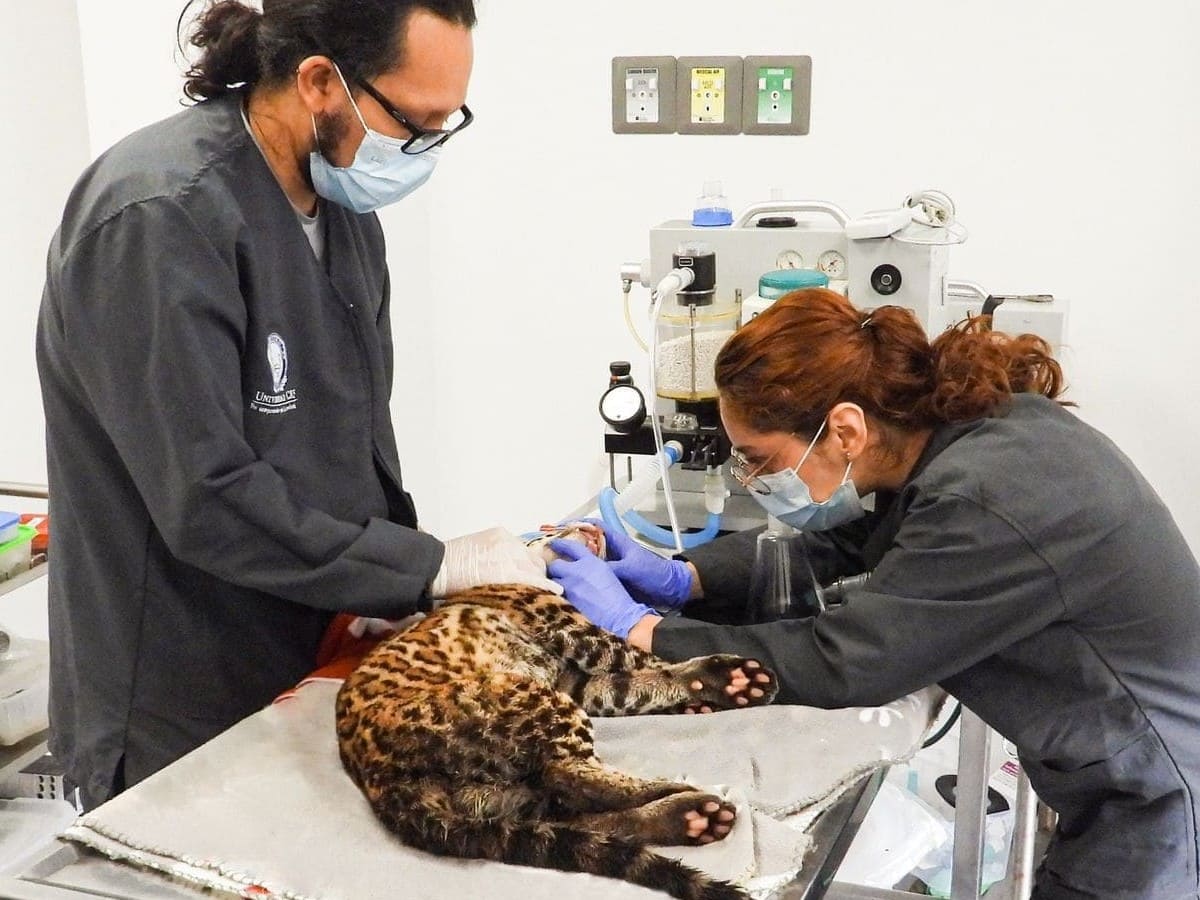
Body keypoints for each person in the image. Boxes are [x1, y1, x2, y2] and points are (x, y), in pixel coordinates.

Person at [36, 0, 557, 811]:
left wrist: (391, 585)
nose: (421, 152)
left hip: (307, 649)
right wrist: (426, 570)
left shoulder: (343, 215)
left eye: (445, 126)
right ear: (320, 81)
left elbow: (353, 439)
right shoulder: (158, 217)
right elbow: (205, 497)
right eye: (414, 125)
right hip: (178, 688)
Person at [548, 288, 1200, 900]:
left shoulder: (987, 495)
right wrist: (683, 576)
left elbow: (850, 661)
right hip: (1119, 765)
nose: (750, 480)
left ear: (845, 429)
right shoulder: (964, 440)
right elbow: (847, 545)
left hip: (1159, 789)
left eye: (760, 459)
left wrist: (642, 632)